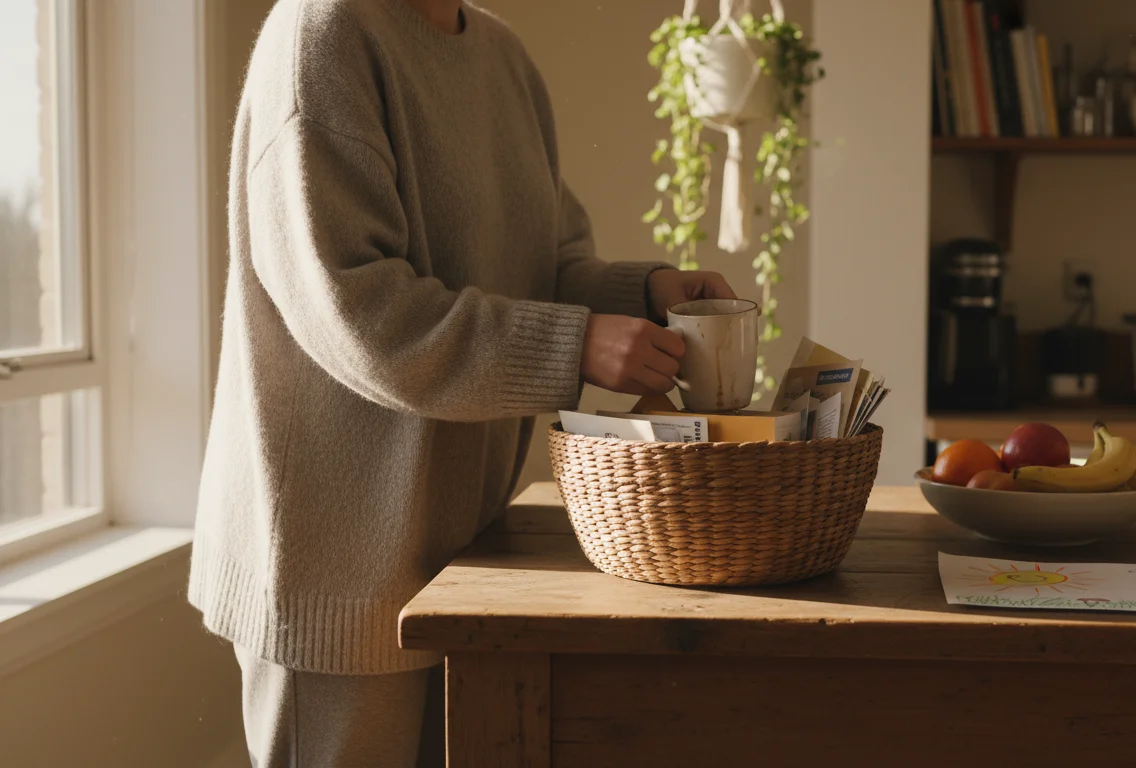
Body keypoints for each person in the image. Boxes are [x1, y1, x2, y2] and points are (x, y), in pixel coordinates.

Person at [186, 0, 737, 764]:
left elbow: (548, 263)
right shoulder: (325, 31)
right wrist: (574, 344)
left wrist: (644, 293)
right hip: (336, 560)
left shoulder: (504, 58)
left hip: (465, 552)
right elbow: (356, 310)